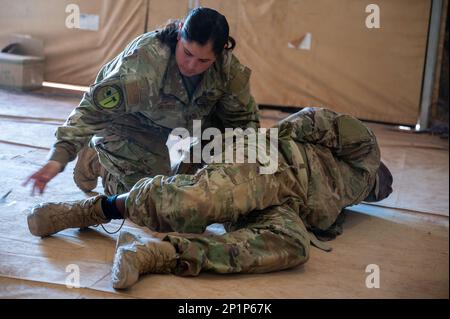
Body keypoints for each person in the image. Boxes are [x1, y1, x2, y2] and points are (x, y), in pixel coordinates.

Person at [27, 107, 393, 289]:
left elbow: (316, 212)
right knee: (195, 203)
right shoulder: (366, 152)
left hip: (281, 202)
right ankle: (87, 210)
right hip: (268, 162)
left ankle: (161, 253)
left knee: (294, 246)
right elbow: (314, 120)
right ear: (379, 178)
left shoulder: (347, 198)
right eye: (379, 190)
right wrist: (266, 147)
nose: (376, 194)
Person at [23, 7, 260, 196]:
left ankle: (187, 173)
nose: (191, 66)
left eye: (203, 61)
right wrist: (58, 158)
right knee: (145, 200)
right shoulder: (144, 67)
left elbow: (243, 123)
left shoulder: (228, 71)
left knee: (206, 182)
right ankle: (96, 161)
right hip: (132, 122)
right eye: (187, 53)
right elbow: (92, 111)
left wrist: (250, 168)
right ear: (179, 34)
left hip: (185, 124)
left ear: (222, 52)